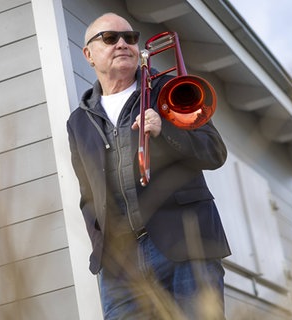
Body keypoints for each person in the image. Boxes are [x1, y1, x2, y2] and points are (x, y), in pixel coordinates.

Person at [66, 12, 231, 319]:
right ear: (88, 54)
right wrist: (104, 247)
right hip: (121, 265)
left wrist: (166, 131)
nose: (123, 44)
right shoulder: (78, 122)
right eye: (110, 38)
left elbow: (214, 152)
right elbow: (88, 195)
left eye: (130, 38)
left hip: (186, 243)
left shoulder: (170, 88)